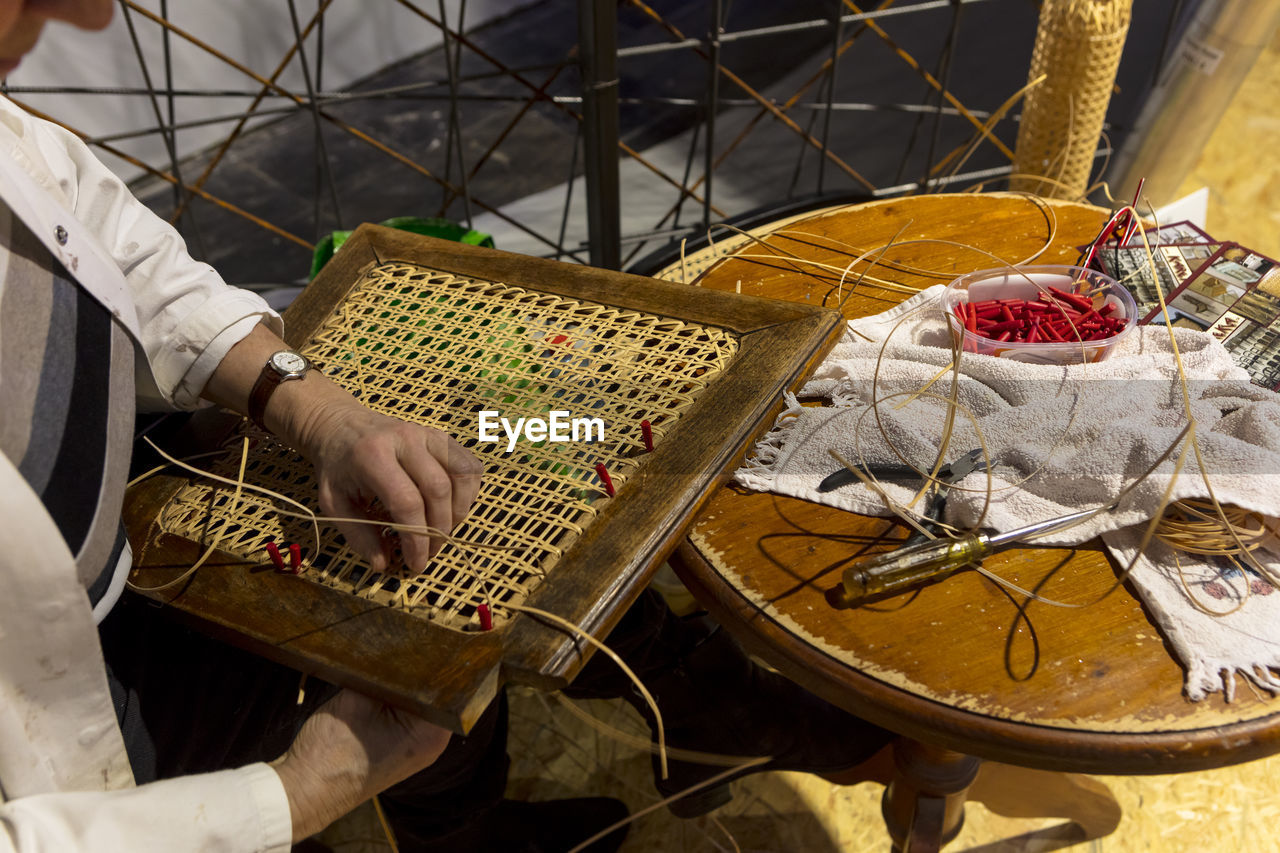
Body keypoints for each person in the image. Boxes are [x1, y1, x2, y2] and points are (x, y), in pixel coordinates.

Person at [0, 2, 893, 851]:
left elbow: (109, 238)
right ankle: (516, 803)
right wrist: (296, 792)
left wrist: (320, 409)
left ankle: (662, 724)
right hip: (71, 732)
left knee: (493, 481)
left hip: (112, 522)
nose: (89, 19)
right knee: (421, 644)